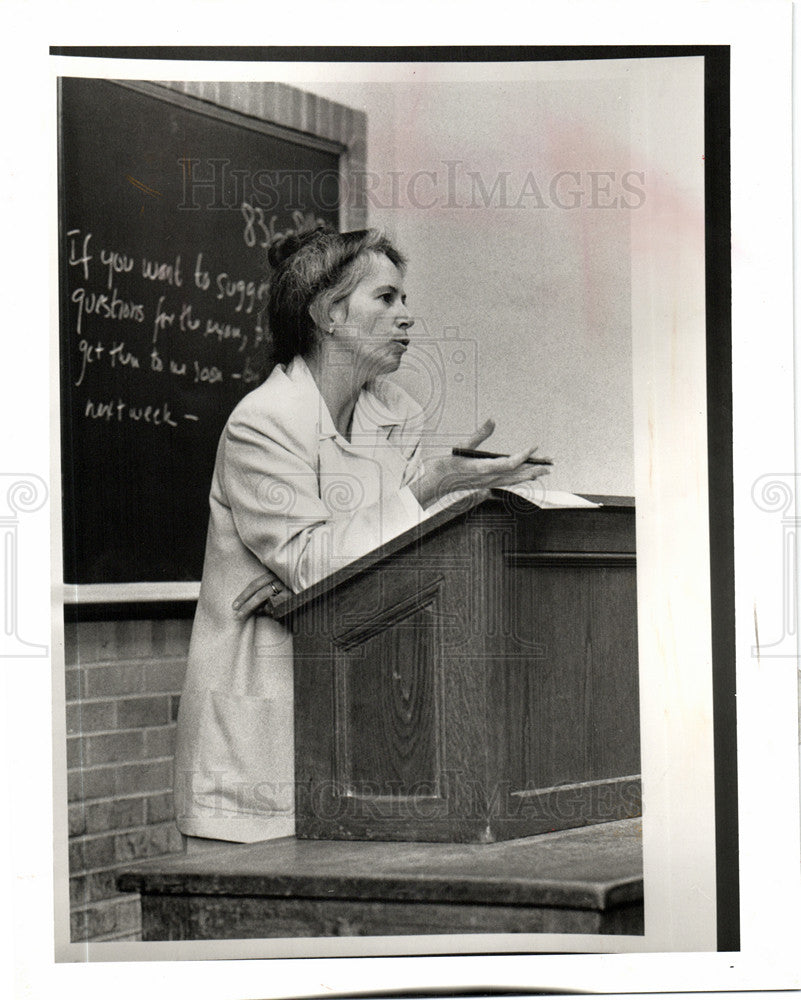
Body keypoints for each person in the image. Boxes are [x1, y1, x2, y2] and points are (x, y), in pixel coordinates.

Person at [173, 226, 550, 846]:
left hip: (362, 732)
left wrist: (448, 489)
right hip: (262, 744)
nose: (407, 316)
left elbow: (385, 559)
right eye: (387, 298)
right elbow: (320, 567)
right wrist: (429, 487)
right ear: (327, 313)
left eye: (404, 300)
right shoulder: (262, 423)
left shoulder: (394, 411)